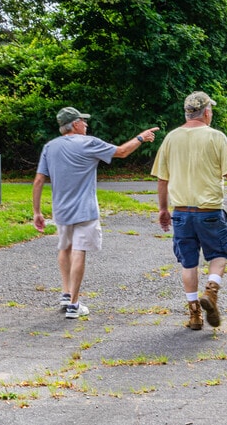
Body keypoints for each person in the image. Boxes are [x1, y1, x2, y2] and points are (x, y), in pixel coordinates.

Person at [32, 106, 159, 319]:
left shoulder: (50, 147)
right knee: (79, 250)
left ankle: (66, 294)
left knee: (64, 248)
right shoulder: (89, 143)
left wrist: (37, 211)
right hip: (85, 210)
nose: (86, 124)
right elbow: (122, 152)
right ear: (74, 124)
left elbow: (38, 180)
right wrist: (141, 137)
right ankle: (74, 304)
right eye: (83, 121)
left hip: (61, 210)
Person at [151, 91, 227, 330]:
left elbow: (162, 179)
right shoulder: (216, 137)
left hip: (181, 212)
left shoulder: (171, 138)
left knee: (188, 263)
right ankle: (211, 291)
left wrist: (163, 209)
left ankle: (194, 315)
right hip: (209, 211)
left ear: (187, 112)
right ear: (206, 112)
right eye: (211, 110)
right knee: (219, 255)